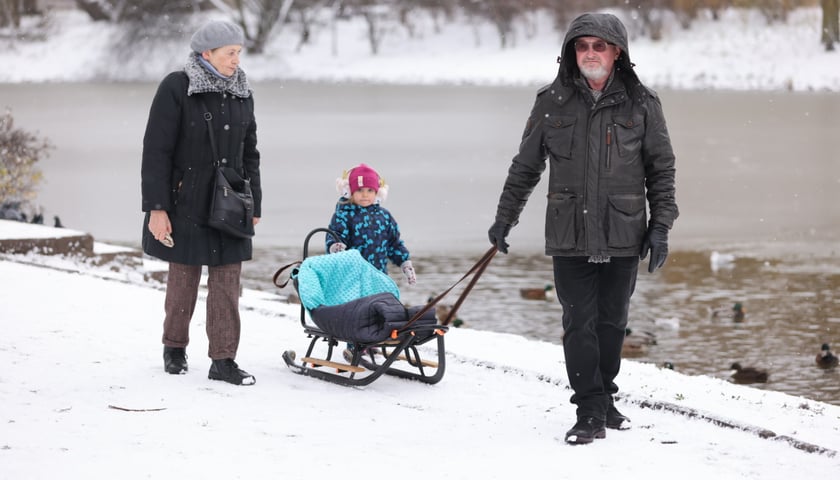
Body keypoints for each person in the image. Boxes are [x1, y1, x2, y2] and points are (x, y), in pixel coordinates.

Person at [487, 12, 678, 445]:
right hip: (569, 231)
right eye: (582, 45)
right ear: (572, 52)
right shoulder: (551, 101)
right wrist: (505, 218)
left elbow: (661, 170)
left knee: (612, 323)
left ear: (617, 53)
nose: (590, 53)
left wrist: (661, 225)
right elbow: (526, 166)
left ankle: (604, 395)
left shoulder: (642, 103)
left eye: (599, 46)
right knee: (578, 322)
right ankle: (589, 409)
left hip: (623, 231)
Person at [141, 20, 261, 386]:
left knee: (228, 282)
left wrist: (254, 204)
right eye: (230, 53)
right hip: (186, 199)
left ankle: (223, 360)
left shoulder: (242, 91)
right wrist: (157, 208)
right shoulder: (177, 87)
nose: (236, 60)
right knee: (183, 278)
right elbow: (156, 152)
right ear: (206, 54)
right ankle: (174, 347)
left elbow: (250, 153)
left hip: (231, 202)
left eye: (239, 53)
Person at [325, 163, 416, 286]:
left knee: (379, 303)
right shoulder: (343, 214)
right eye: (359, 190)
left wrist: (405, 263)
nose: (365, 194)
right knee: (358, 305)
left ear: (378, 192)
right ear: (349, 191)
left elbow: (394, 244)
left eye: (370, 190)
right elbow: (336, 234)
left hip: (379, 276)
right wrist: (335, 247)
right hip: (351, 279)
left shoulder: (384, 216)